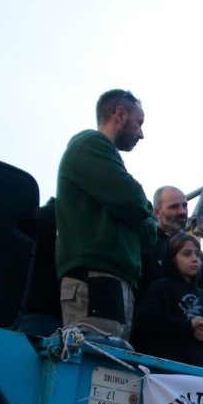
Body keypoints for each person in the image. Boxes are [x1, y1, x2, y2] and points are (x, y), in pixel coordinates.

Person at [56, 89, 155, 341]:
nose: (141, 134)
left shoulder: (104, 156)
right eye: (139, 123)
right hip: (96, 281)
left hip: (112, 282)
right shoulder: (90, 144)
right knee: (97, 366)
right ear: (120, 114)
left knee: (110, 371)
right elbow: (132, 200)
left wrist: (142, 215)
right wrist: (143, 210)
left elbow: (148, 231)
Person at [134, 232, 203, 368]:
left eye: (198, 254)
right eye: (187, 254)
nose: (195, 259)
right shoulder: (161, 287)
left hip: (196, 373)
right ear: (172, 259)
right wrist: (188, 325)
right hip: (162, 369)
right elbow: (147, 320)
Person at [139, 186, 203, 297]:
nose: (182, 211)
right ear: (157, 212)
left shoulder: (197, 253)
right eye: (174, 207)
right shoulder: (146, 243)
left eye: (184, 205)